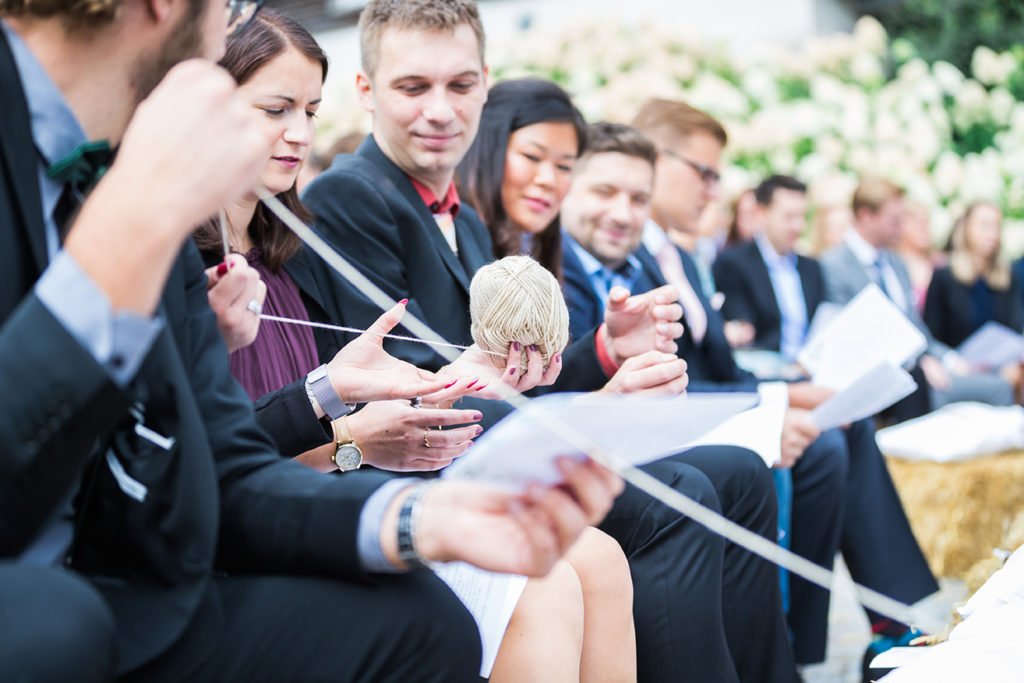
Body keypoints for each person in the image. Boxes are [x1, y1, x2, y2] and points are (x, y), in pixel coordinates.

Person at [0, 2, 623, 681]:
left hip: (145, 576)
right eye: (231, 8)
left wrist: (419, 516)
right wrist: (130, 225)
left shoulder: (168, 197)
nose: (232, 27)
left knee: (426, 623)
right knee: (57, 622)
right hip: (63, 594)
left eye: (308, 111)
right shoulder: (150, 192)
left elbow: (225, 462)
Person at [303, 5, 797, 681]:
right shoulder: (349, 196)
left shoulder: (469, 226)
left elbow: (503, 370)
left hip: (495, 437)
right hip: (424, 465)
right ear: (366, 91)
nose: (441, 110)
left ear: (485, 85)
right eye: (413, 87)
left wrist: (600, 353)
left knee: (741, 473)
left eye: (460, 85)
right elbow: (407, 383)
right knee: (680, 495)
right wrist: (586, 418)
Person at [198, 16, 635, 683]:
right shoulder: (204, 263)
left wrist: (466, 378)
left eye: (310, 111)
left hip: (322, 490)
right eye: (276, 109)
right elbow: (236, 455)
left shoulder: (289, 255)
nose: (299, 133)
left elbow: (327, 426)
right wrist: (358, 429)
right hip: (259, 535)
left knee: (596, 559)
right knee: (545, 577)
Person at [593, 115, 938, 670]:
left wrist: (792, 391)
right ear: (656, 159)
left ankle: (881, 622)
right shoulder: (632, 258)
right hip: (665, 416)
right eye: (703, 172)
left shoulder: (674, 258)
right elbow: (673, 374)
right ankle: (798, 647)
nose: (714, 189)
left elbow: (726, 369)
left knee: (845, 429)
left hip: (707, 397)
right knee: (819, 447)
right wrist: (780, 402)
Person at [820, 177, 1015, 413]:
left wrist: (950, 360)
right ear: (865, 216)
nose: (901, 227)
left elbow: (917, 329)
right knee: (994, 391)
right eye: (894, 220)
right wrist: (918, 362)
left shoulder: (895, 263)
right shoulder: (833, 265)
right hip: (883, 380)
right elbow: (850, 336)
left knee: (1000, 386)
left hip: (924, 370)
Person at [713, 175, 824, 360]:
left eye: (802, 216)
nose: (798, 226)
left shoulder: (811, 268)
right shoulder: (733, 264)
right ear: (762, 214)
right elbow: (743, 327)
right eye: (789, 217)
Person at [924, 202, 1024, 349]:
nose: (992, 234)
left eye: (996, 226)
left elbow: (1014, 328)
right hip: (957, 366)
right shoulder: (944, 278)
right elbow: (932, 335)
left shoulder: (1009, 278)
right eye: (985, 225)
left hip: (1002, 367)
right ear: (966, 228)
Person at [897, 201, 944, 313]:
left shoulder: (940, 263)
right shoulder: (893, 263)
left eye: (926, 222)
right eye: (917, 222)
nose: (923, 228)